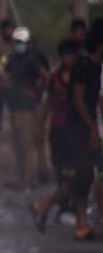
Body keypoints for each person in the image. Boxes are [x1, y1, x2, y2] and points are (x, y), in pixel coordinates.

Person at [31, 40, 80, 234]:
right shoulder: (53, 77)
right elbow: (46, 103)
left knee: (77, 174)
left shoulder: (82, 76)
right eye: (66, 54)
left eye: (72, 54)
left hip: (77, 131)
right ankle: (59, 208)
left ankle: (52, 208)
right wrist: (39, 128)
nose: (70, 58)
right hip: (59, 131)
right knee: (66, 174)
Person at [65, 28, 102, 240]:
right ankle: (80, 223)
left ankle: (82, 222)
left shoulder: (97, 67)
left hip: (90, 126)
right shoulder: (83, 65)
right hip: (79, 126)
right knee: (83, 174)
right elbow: (78, 101)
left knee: (87, 175)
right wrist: (92, 128)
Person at [2, 27, 48, 190]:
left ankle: (29, 178)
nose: (19, 45)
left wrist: (37, 93)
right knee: (18, 143)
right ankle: (24, 175)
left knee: (27, 143)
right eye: (16, 42)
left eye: (21, 42)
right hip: (14, 105)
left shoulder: (31, 59)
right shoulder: (12, 59)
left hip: (27, 108)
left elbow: (45, 76)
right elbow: (5, 76)